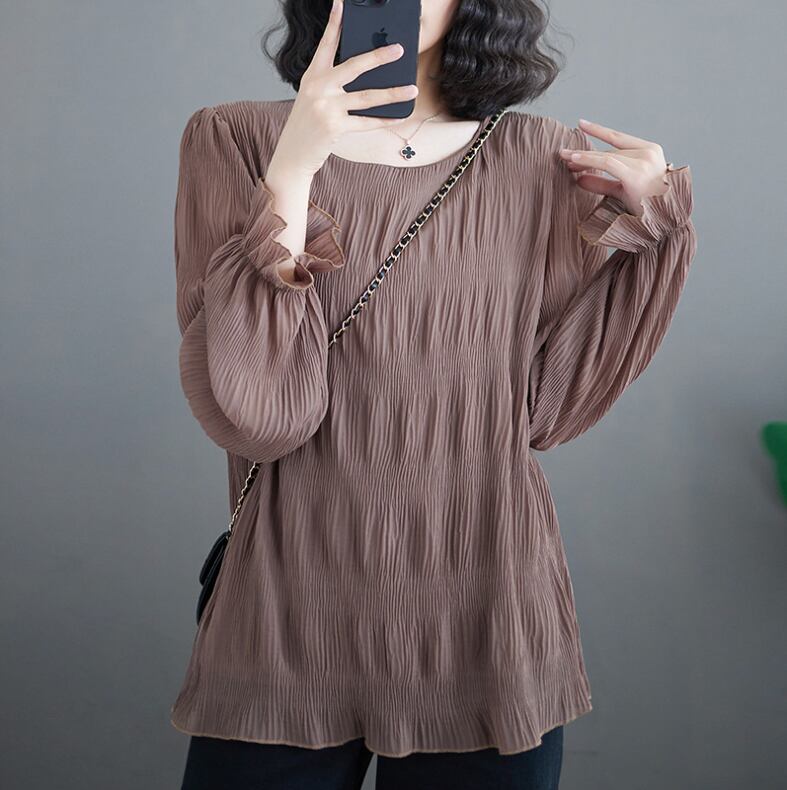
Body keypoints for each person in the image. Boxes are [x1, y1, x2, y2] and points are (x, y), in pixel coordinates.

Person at [170, 1, 697, 788]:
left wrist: (653, 231)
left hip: (484, 605)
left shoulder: (540, 157)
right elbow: (265, 416)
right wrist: (293, 169)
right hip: (290, 609)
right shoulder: (233, 137)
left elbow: (547, 410)